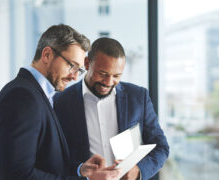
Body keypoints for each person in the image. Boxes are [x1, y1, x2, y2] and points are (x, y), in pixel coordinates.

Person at [0, 24, 120, 180]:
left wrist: (80, 170)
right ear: (47, 55)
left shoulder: (38, 95)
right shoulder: (22, 97)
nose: (75, 77)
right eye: (72, 66)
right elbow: (19, 175)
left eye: (79, 70)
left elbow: (43, 161)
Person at [54, 37, 169, 180]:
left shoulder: (138, 97)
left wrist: (139, 171)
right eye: (102, 74)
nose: (108, 82)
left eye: (116, 76)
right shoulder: (60, 102)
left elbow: (161, 147)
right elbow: (56, 158)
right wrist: (81, 171)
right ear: (87, 63)